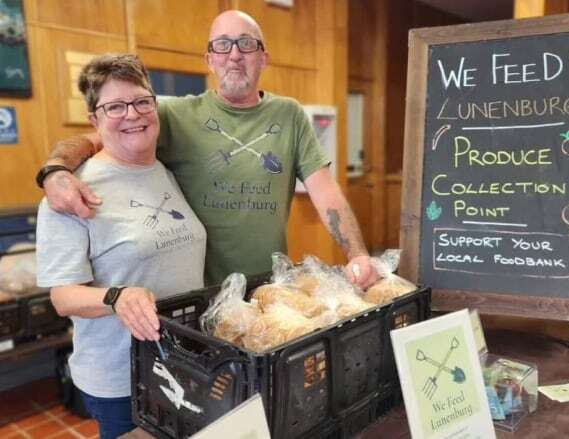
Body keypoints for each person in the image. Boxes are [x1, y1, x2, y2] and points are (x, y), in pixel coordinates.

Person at [38, 10, 379, 288]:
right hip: (200, 294)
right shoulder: (174, 115)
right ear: (210, 60)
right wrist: (55, 170)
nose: (234, 54)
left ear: (263, 58)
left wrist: (357, 254)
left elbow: (326, 192)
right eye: (222, 45)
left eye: (246, 44)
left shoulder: (289, 115)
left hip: (270, 287)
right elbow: (98, 138)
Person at [36, 54, 207, 439]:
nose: (133, 114)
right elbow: (62, 297)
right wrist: (117, 297)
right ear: (94, 119)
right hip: (122, 376)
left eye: (142, 101)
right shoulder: (70, 193)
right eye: (115, 106)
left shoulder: (164, 170)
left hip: (183, 362)